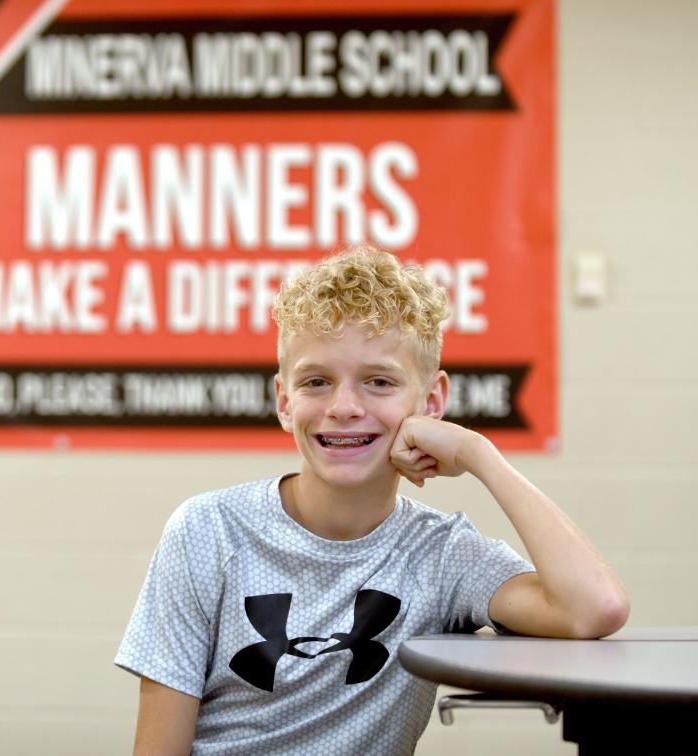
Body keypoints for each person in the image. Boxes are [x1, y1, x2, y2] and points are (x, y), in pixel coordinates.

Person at [115, 246, 629, 755]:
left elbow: (595, 608)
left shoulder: (442, 554)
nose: (343, 407)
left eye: (379, 382)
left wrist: (479, 454)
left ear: (430, 403)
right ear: (283, 401)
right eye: (316, 382)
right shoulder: (208, 530)